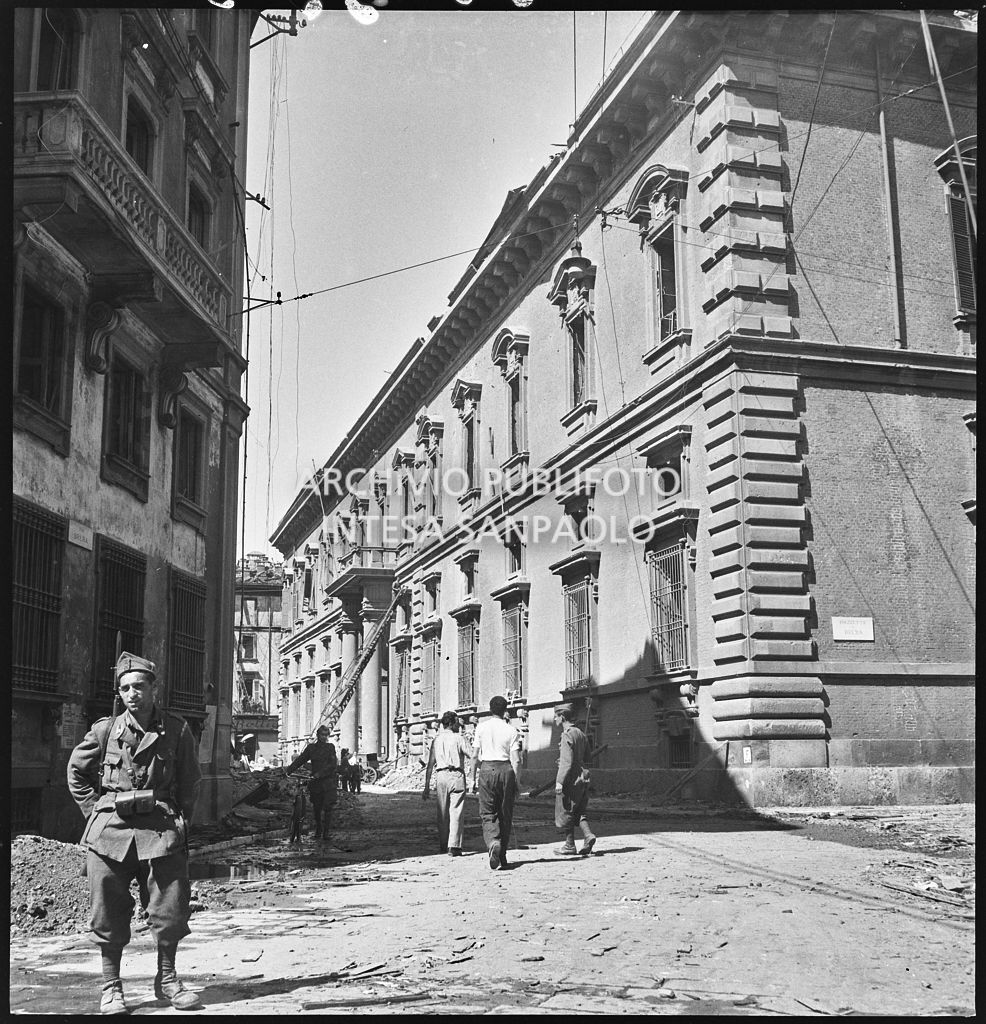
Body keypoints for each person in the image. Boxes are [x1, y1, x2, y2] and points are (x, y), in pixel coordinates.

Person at [67, 652, 202, 1014]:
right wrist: (95, 809)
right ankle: (111, 986)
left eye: (140, 686)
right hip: (110, 833)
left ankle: (168, 979)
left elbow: (190, 780)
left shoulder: (176, 729)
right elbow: (77, 774)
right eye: (125, 688)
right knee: (107, 911)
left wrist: (180, 821)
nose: (132, 694)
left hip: (160, 829)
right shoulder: (104, 730)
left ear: (154, 689)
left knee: (170, 910)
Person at [471, 695, 522, 870]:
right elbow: (516, 760)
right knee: (505, 814)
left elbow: (474, 755)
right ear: (505, 710)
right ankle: (503, 855)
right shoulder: (511, 730)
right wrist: (517, 781)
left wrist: (473, 776)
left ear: (491, 709)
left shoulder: (481, 727)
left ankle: (493, 841)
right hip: (506, 770)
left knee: (487, 812)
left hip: (487, 768)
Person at [422, 711, 473, 856]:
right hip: (456, 775)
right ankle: (454, 846)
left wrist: (426, 786)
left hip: (441, 776)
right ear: (451, 723)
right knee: (456, 811)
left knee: (442, 813)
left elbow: (430, 764)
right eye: (456, 721)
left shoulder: (436, 740)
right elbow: (472, 755)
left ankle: (443, 845)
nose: (458, 724)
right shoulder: (459, 738)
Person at [553, 703, 597, 856]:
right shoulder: (580, 733)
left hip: (570, 778)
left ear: (562, 717)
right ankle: (588, 835)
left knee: (566, 810)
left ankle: (569, 845)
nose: (554, 719)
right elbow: (588, 758)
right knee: (579, 809)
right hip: (583, 776)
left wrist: (560, 781)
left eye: (556, 716)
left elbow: (566, 761)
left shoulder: (567, 734)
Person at [286, 726, 338, 839]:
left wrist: (319, 774)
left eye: (326, 735)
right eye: (322, 735)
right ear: (318, 735)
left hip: (328, 782)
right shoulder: (311, 748)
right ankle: (319, 829)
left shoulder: (330, 747)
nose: (324, 737)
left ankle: (326, 833)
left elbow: (332, 764)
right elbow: (300, 760)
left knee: (328, 807)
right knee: (317, 808)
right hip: (316, 783)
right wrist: (288, 771)